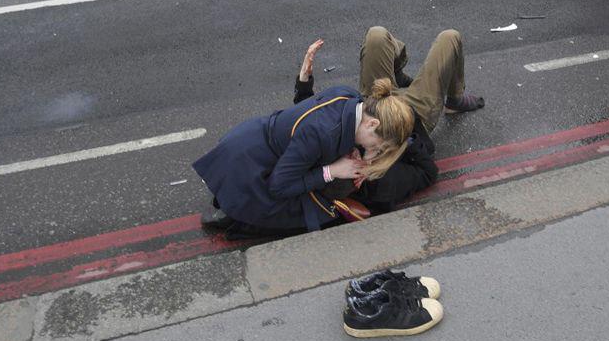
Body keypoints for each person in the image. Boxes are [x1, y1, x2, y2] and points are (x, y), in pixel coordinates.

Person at [293, 27, 484, 213]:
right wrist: (406, 138)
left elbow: (310, 123)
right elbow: (428, 172)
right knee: (450, 38)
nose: (354, 154)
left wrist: (304, 81)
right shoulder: (383, 186)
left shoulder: (331, 153)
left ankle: (396, 75)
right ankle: (455, 98)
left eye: (348, 156)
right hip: (414, 114)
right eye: (357, 160)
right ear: (358, 178)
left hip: (376, 101)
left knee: (376, 36)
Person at [193, 77, 415, 238]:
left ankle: (229, 201)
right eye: (376, 146)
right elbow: (278, 186)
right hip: (251, 169)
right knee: (316, 216)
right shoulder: (320, 133)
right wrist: (332, 171)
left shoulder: (351, 97)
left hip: (252, 143)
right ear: (372, 123)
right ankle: (235, 218)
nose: (372, 151)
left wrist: (352, 151)